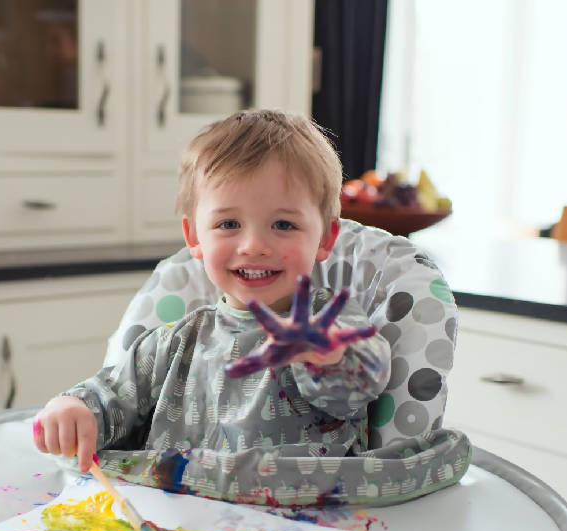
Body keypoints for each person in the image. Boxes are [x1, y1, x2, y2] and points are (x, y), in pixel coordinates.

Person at [33, 109, 390, 472]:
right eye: (228, 223)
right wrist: (75, 409)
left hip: (300, 518)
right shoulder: (175, 344)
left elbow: (362, 384)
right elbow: (113, 395)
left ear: (326, 238)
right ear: (194, 237)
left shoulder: (331, 324)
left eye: (283, 224)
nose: (253, 245)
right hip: (177, 514)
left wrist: (325, 356)